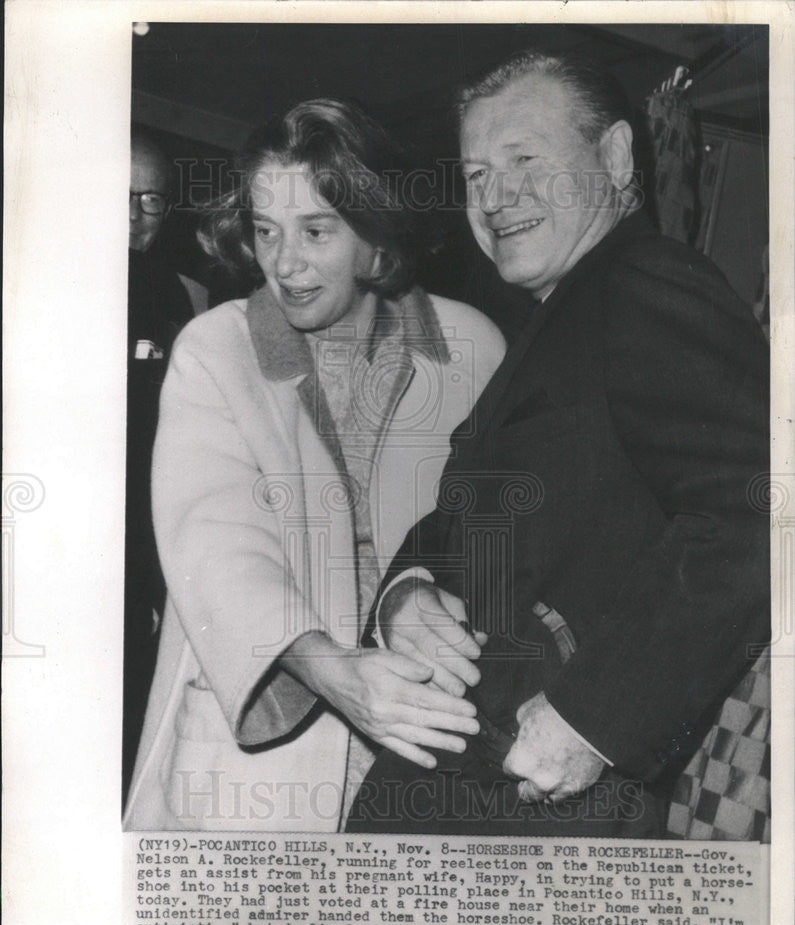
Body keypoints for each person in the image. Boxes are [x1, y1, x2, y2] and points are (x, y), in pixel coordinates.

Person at [347, 50, 769, 837]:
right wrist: (404, 595)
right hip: (466, 782)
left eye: (523, 160)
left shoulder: (644, 283)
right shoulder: (560, 319)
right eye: (475, 176)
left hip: (541, 801)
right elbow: (454, 528)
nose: (495, 197)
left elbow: (759, 506)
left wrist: (594, 719)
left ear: (612, 157)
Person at [122, 99, 505, 831]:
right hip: (265, 738)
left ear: (376, 235)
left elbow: (494, 534)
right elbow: (216, 542)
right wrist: (334, 669)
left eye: (315, 231)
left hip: (417, 736)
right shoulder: (216, 348)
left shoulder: (472, 346)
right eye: (265, 230)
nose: (284, 263)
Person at [124, 127, 206, 804]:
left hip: (138, 550)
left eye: (150, 200)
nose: (131, 216)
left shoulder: (183, 298)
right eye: (117, 194)